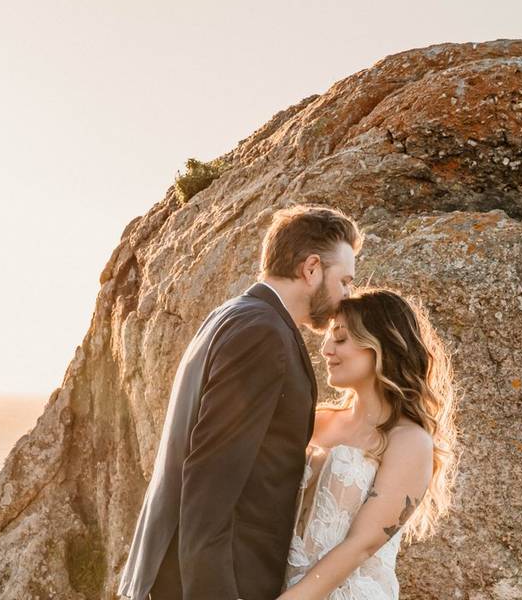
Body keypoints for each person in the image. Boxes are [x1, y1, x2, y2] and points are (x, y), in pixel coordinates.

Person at [117, 203, 362, 600]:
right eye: (345, 280)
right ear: (312, 268)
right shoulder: (262, 333)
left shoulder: (233, 315)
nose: (346, 296)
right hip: (213, 581)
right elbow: (209, 481)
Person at [277, 288, 459, 600]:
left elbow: (362, 545)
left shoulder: (410, 441)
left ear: (381, 346)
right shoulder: (316, 420)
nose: (326, 349)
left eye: (341, 338)